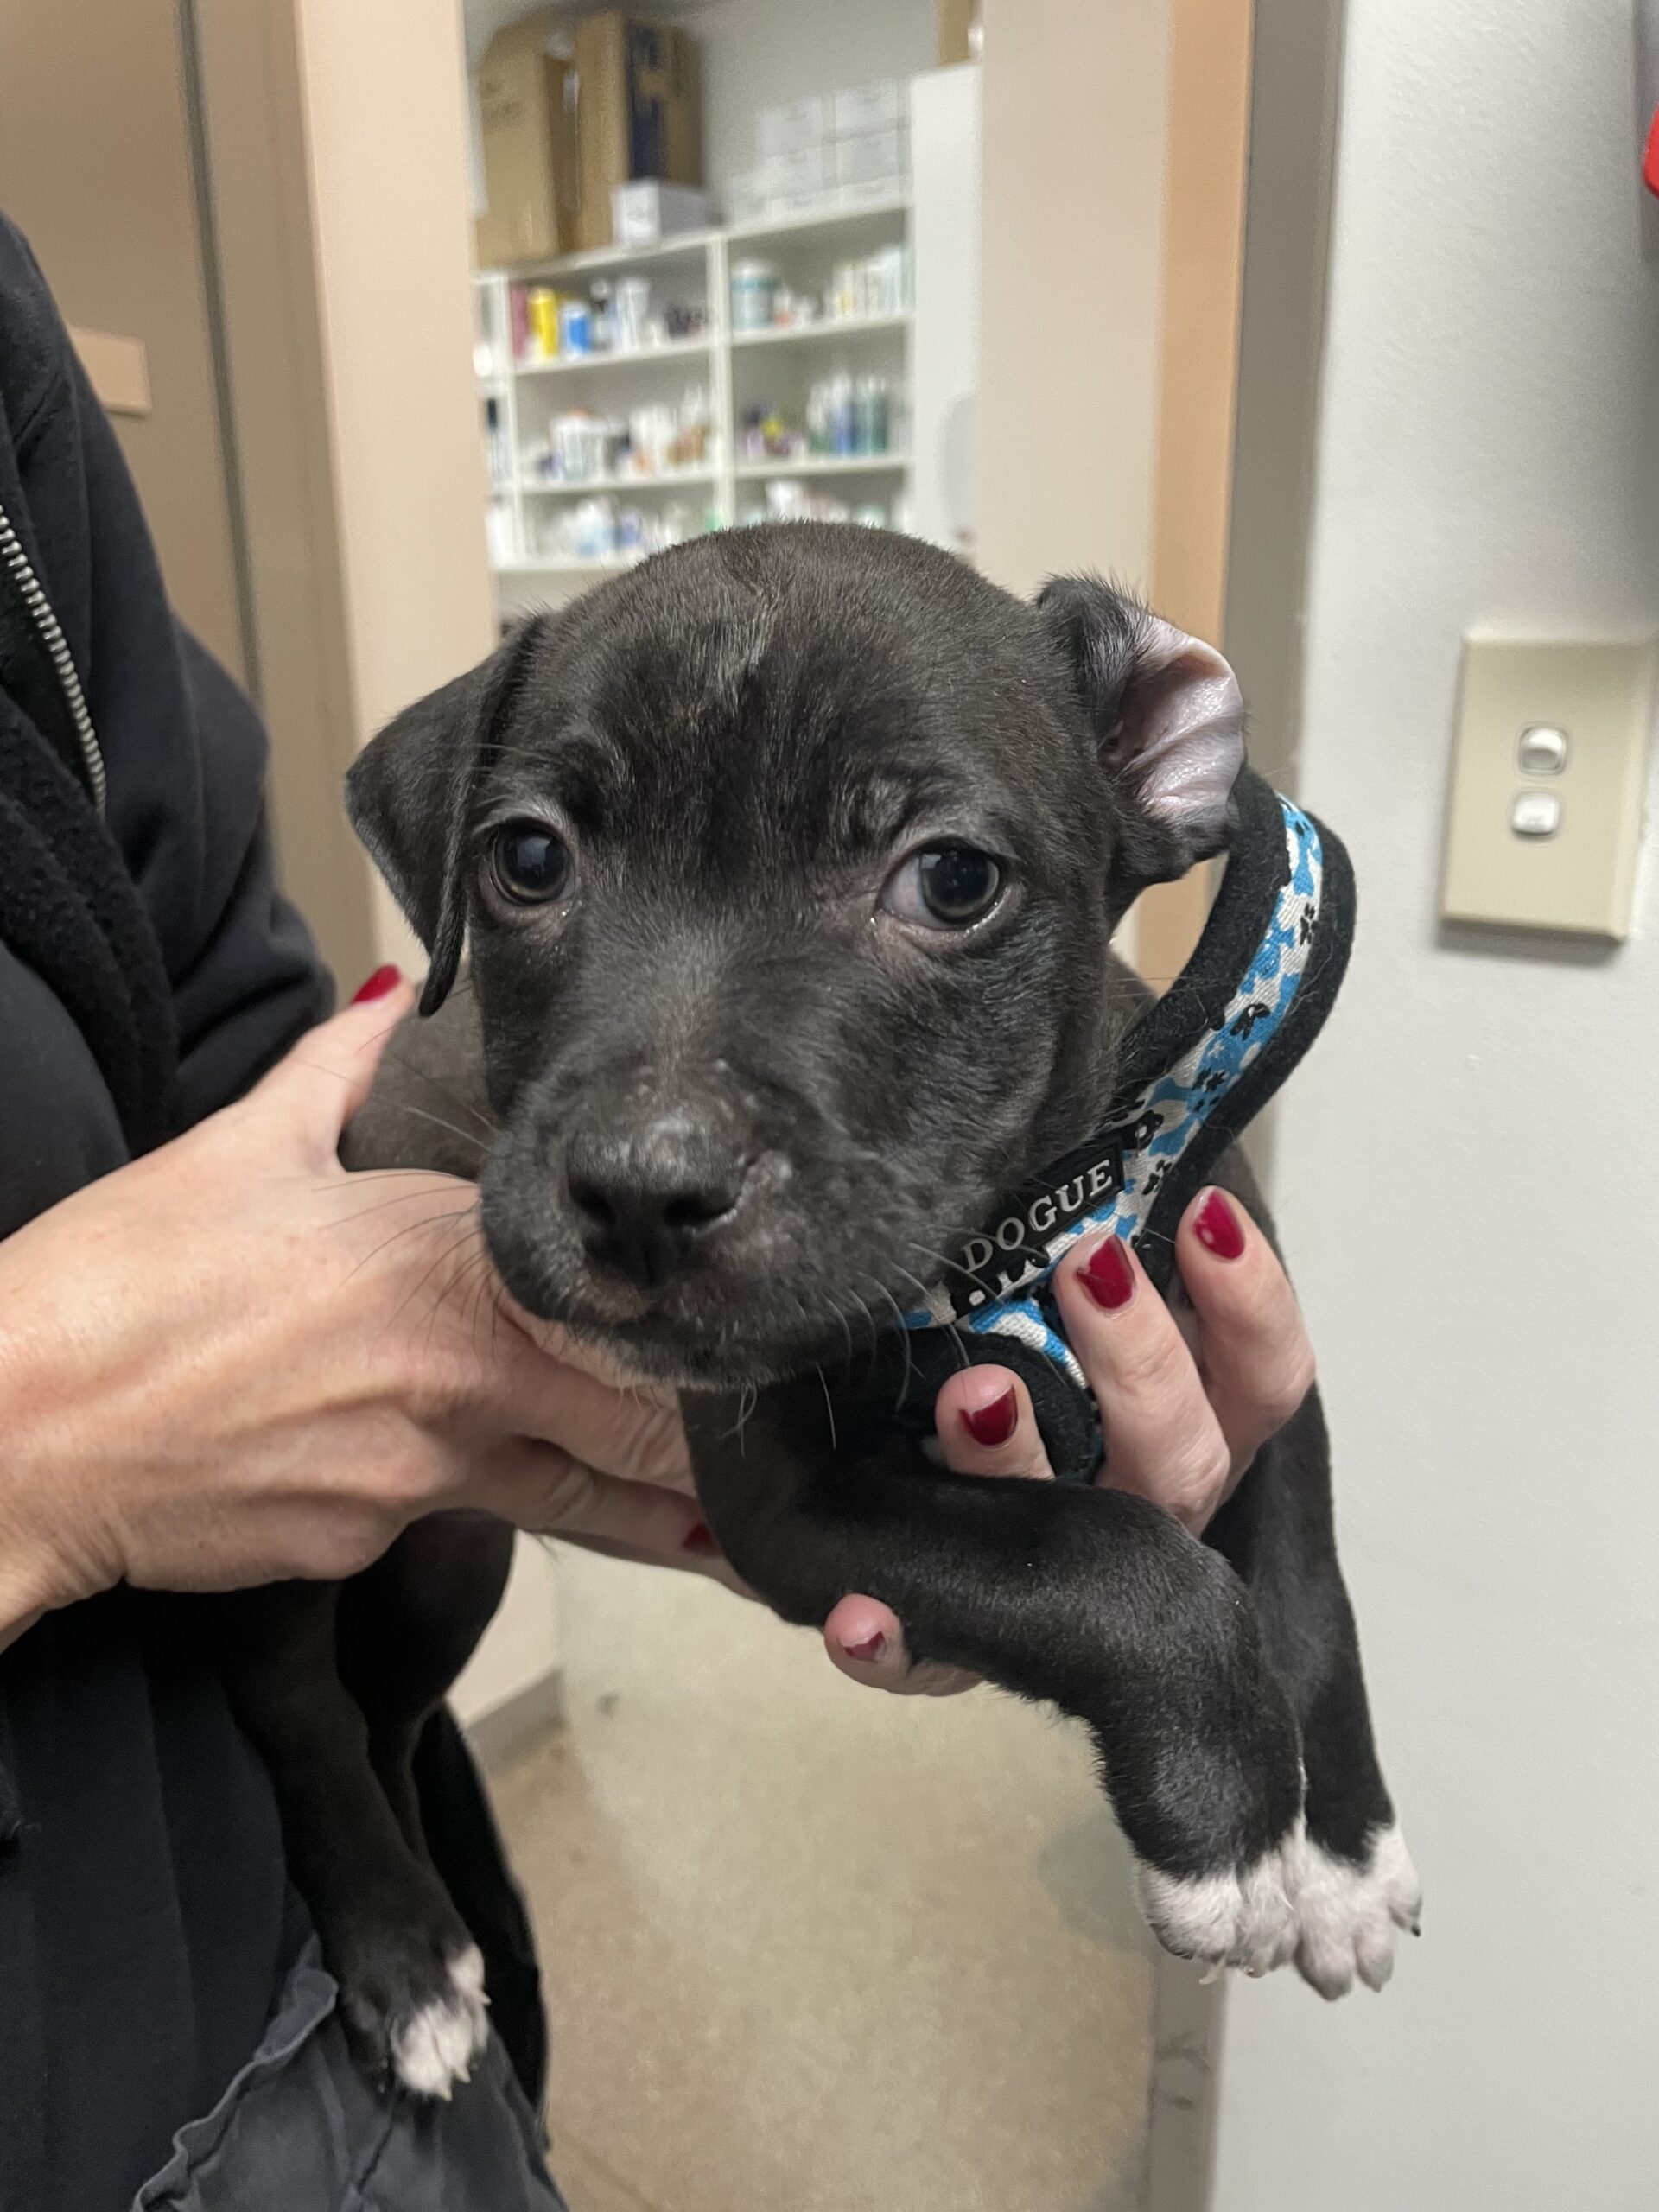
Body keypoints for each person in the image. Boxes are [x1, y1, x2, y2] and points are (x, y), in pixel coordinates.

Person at [0, 213, 1317, 2208]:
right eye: (534, 862)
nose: (651, 1137)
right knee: (347, 1635)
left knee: (421, 1597)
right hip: (94, 2049)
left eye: (939, 878)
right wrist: (48, 1441)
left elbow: (207, 996)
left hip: (249, 1955)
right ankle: (357, 1821)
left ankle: (377, 1808)